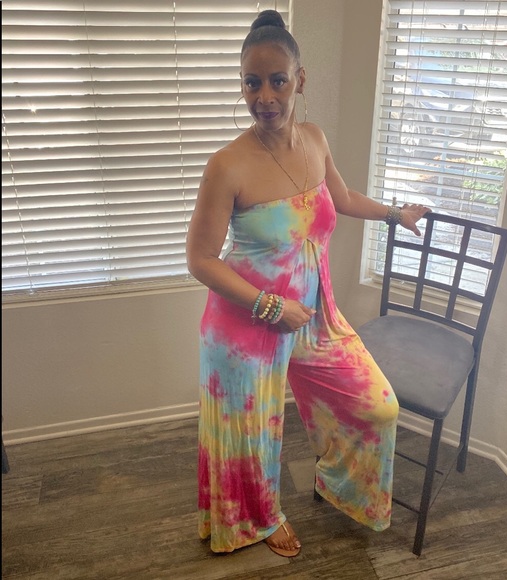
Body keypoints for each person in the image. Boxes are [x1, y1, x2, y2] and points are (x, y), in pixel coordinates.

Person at [186, 9, 430, 558]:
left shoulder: (315, 140)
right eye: (252, 83)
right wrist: (271, 306)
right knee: (253, 437)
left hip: (314, 320)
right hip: (246, 326)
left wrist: (396, 214)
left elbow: (341, 199)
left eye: (277, 80)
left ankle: (338, 484)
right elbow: (199, 259)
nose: (264, 96)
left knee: (378, 407)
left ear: (300, 79)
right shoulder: (226, 166)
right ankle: (259, 519)